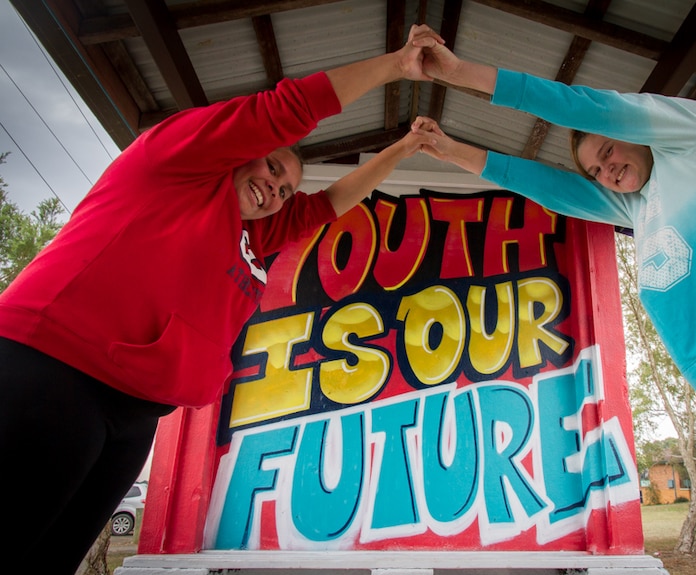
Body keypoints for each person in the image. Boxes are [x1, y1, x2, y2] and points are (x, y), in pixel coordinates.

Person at [0, 24, 443, 574]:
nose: (275, 190)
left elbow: (330, 203)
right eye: (272, 168)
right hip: (57, 369)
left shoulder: (255, 237)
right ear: (243, 151)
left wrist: (404, 148)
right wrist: (397, 66)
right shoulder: (177, 165)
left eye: (284, 190)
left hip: (136, 412)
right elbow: (284, 110)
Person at [409, 39, 696, 575]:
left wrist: (465, 73)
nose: (606, 171)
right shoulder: (637, 206)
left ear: (637, 131)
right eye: (596, 171)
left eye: (609, 153)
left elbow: (583, 107)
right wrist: (452, 151)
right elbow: (549, 187)